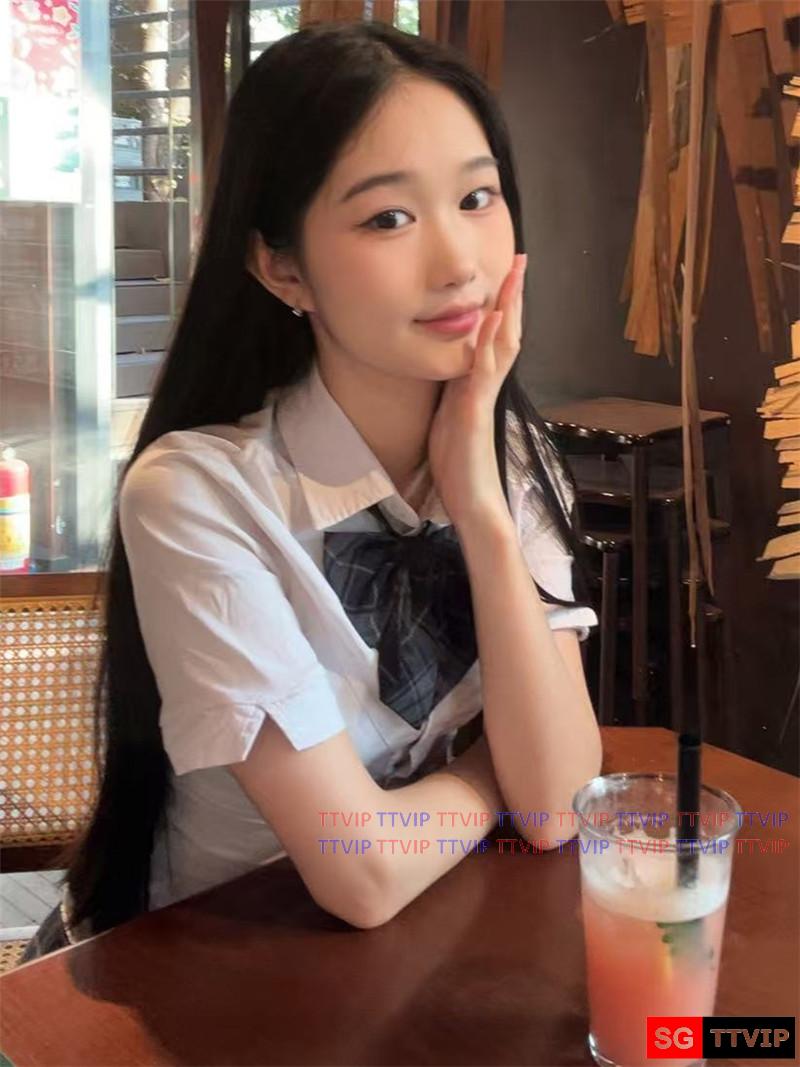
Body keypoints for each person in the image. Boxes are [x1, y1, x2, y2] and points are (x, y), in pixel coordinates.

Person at [20, 18, 601, 964]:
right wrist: (491, 773)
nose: (461, 262)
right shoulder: (197, 496)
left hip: (404, 960)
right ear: (282, 266)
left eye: (477, 197)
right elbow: (360, 868)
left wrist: (483, 511)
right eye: (388, 218)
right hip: (203, 970)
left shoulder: (510, 453)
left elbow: (559, 805)